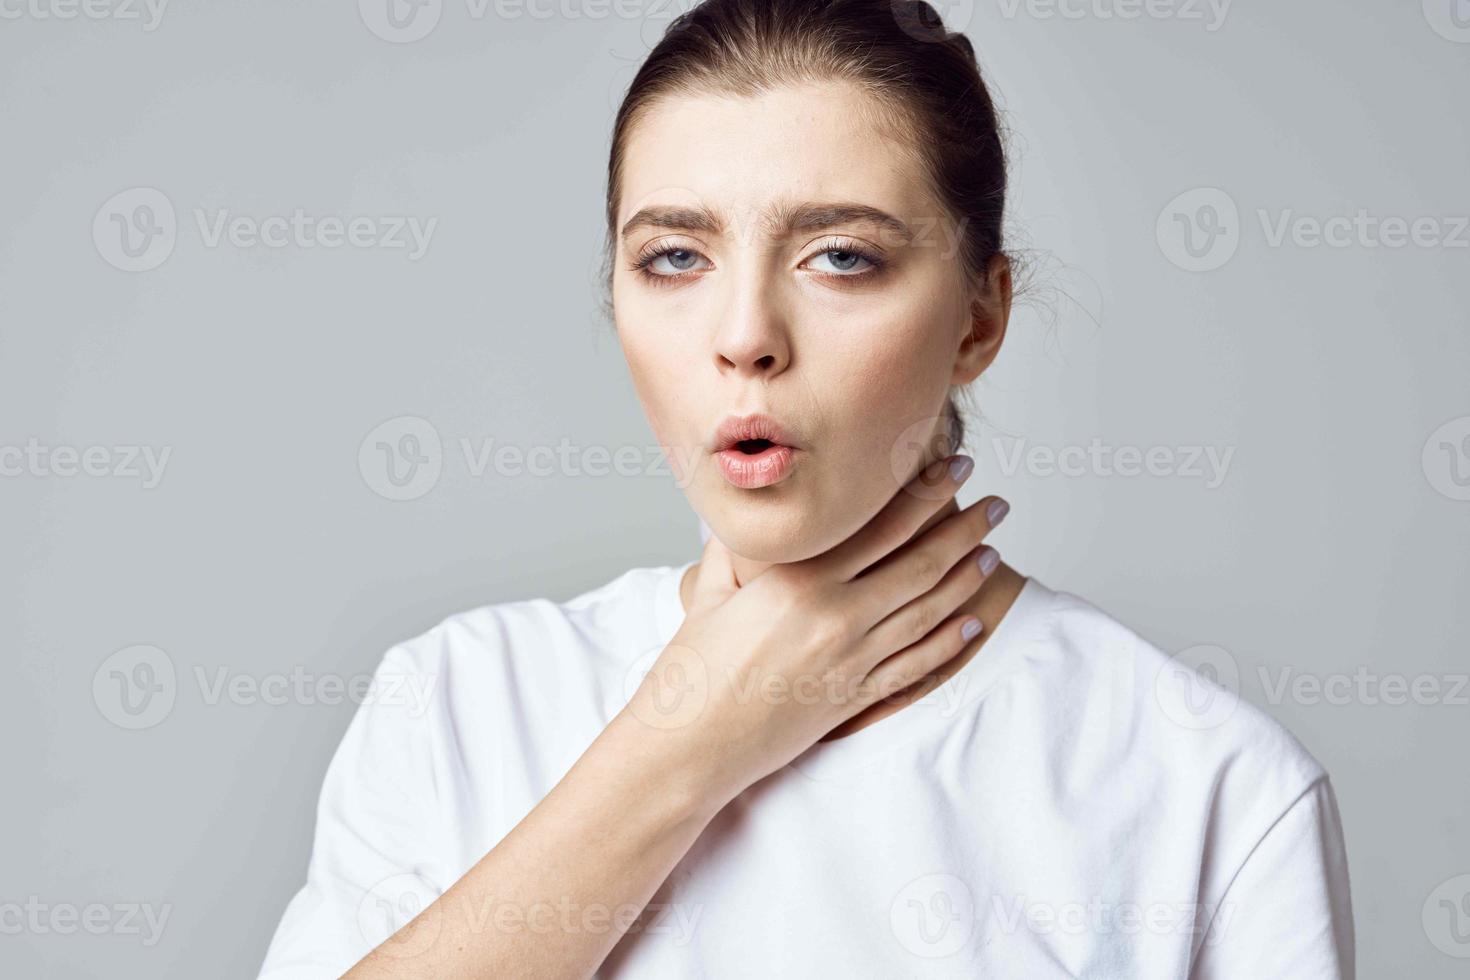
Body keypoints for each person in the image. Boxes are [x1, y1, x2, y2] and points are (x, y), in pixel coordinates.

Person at [258, 1, 1354, 976]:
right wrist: (691, 739)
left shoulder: (1206, 785)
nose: (745, 338)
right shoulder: (457, 703)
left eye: (840, 256)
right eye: (676, 258)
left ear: (980, 317)